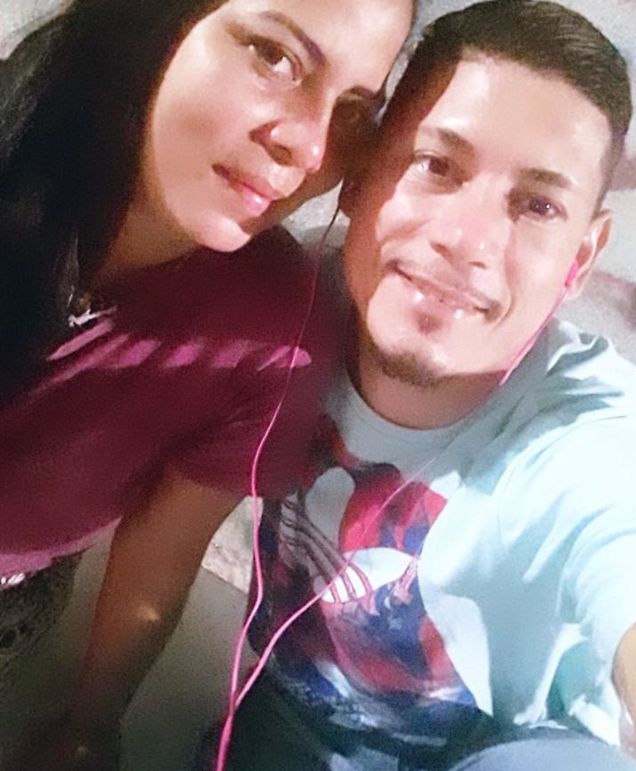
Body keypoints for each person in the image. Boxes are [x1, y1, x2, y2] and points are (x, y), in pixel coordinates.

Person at [208, 1, 636, 769]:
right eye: (437, 165)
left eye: (538, 205)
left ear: (581, 256)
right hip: (283, 722)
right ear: (361, 175)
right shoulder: (287, 303)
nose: (468, 242)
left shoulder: (592, 437)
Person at [0, 0, 414, 767]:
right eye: (275, 56)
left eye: (355, 113)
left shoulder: (272, 327)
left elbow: (164, 544)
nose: (310, 147)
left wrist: (91, 723)